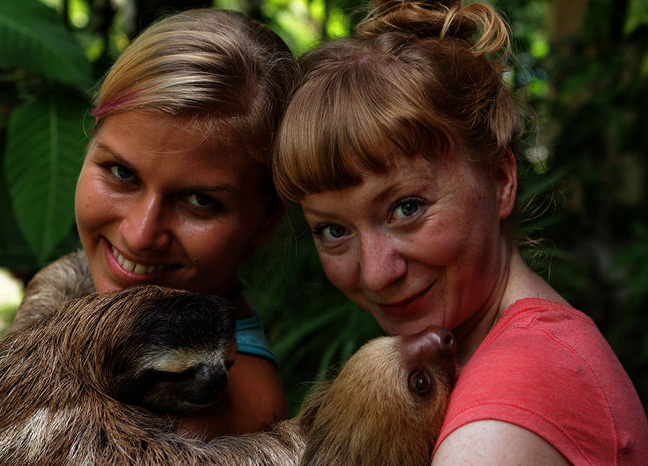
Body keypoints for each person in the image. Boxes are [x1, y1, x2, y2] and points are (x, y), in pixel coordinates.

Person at [271, 0, 648, 463]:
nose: (375, 274)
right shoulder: (532, 352)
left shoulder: (494, 430)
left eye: (407, 207)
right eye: (332, 230)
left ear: (501, 179)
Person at [14, 8, 299, 438]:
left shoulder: (223, 411)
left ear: (265, 220)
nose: (140, 234)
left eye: (200, 201)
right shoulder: (75, 289)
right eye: (121, 172)